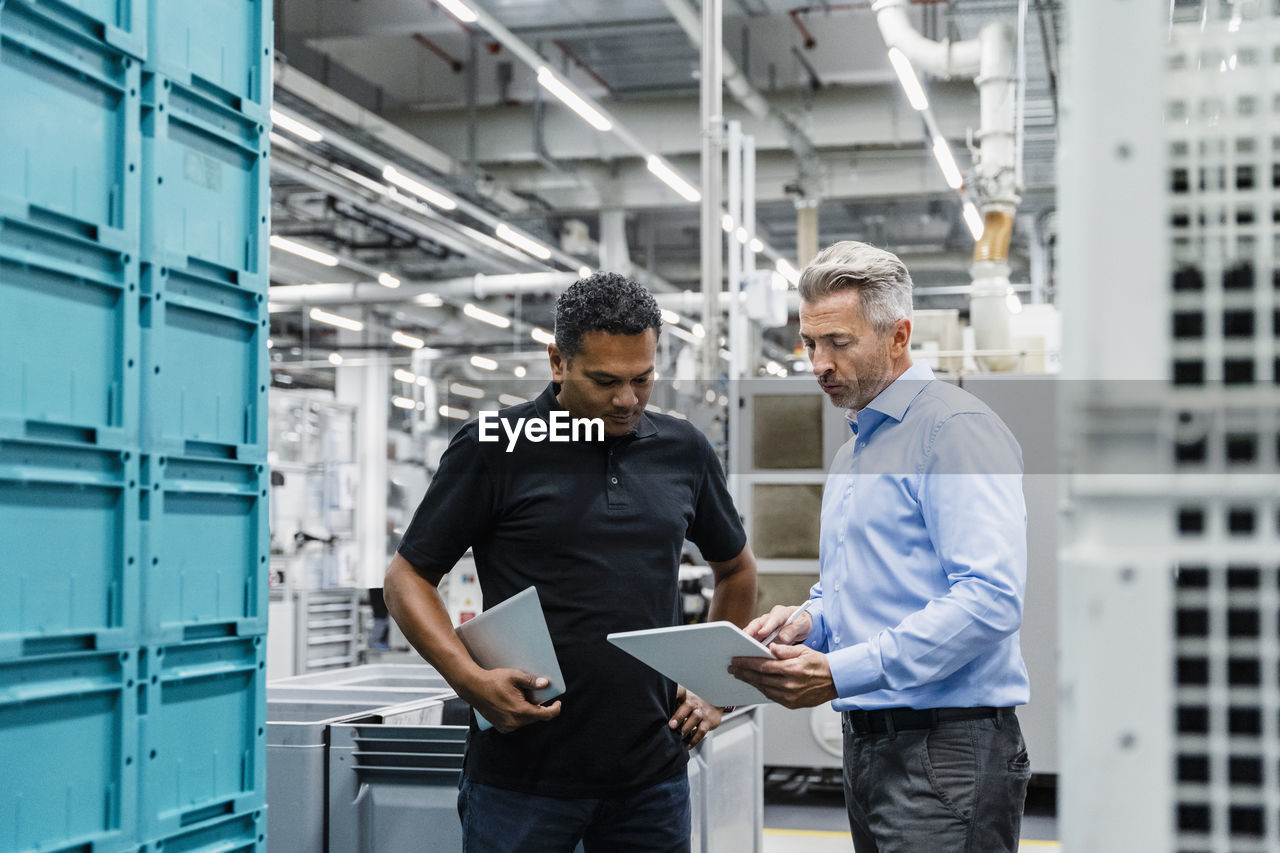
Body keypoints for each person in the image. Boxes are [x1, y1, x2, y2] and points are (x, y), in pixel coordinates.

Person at [384, 272, 757, 853]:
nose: (628, 399)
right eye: (605, 381)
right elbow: (407, 578)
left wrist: (712, 687)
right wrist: (471, 681)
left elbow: (736, 568)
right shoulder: (493, 448)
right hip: (521, 778)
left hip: (651, 779)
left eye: (643, 378)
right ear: (558, 361)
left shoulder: (684, 449)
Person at [728, 241, 1031, 853]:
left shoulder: (953, 431)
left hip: (946, 753)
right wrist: (806, 623)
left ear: (899, 335)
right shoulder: (854, 452)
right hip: (870, 745)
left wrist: (842, 671)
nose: (819, 363)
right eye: (811, 344)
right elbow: (853, 588)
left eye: (840, 342)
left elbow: (990, 600)